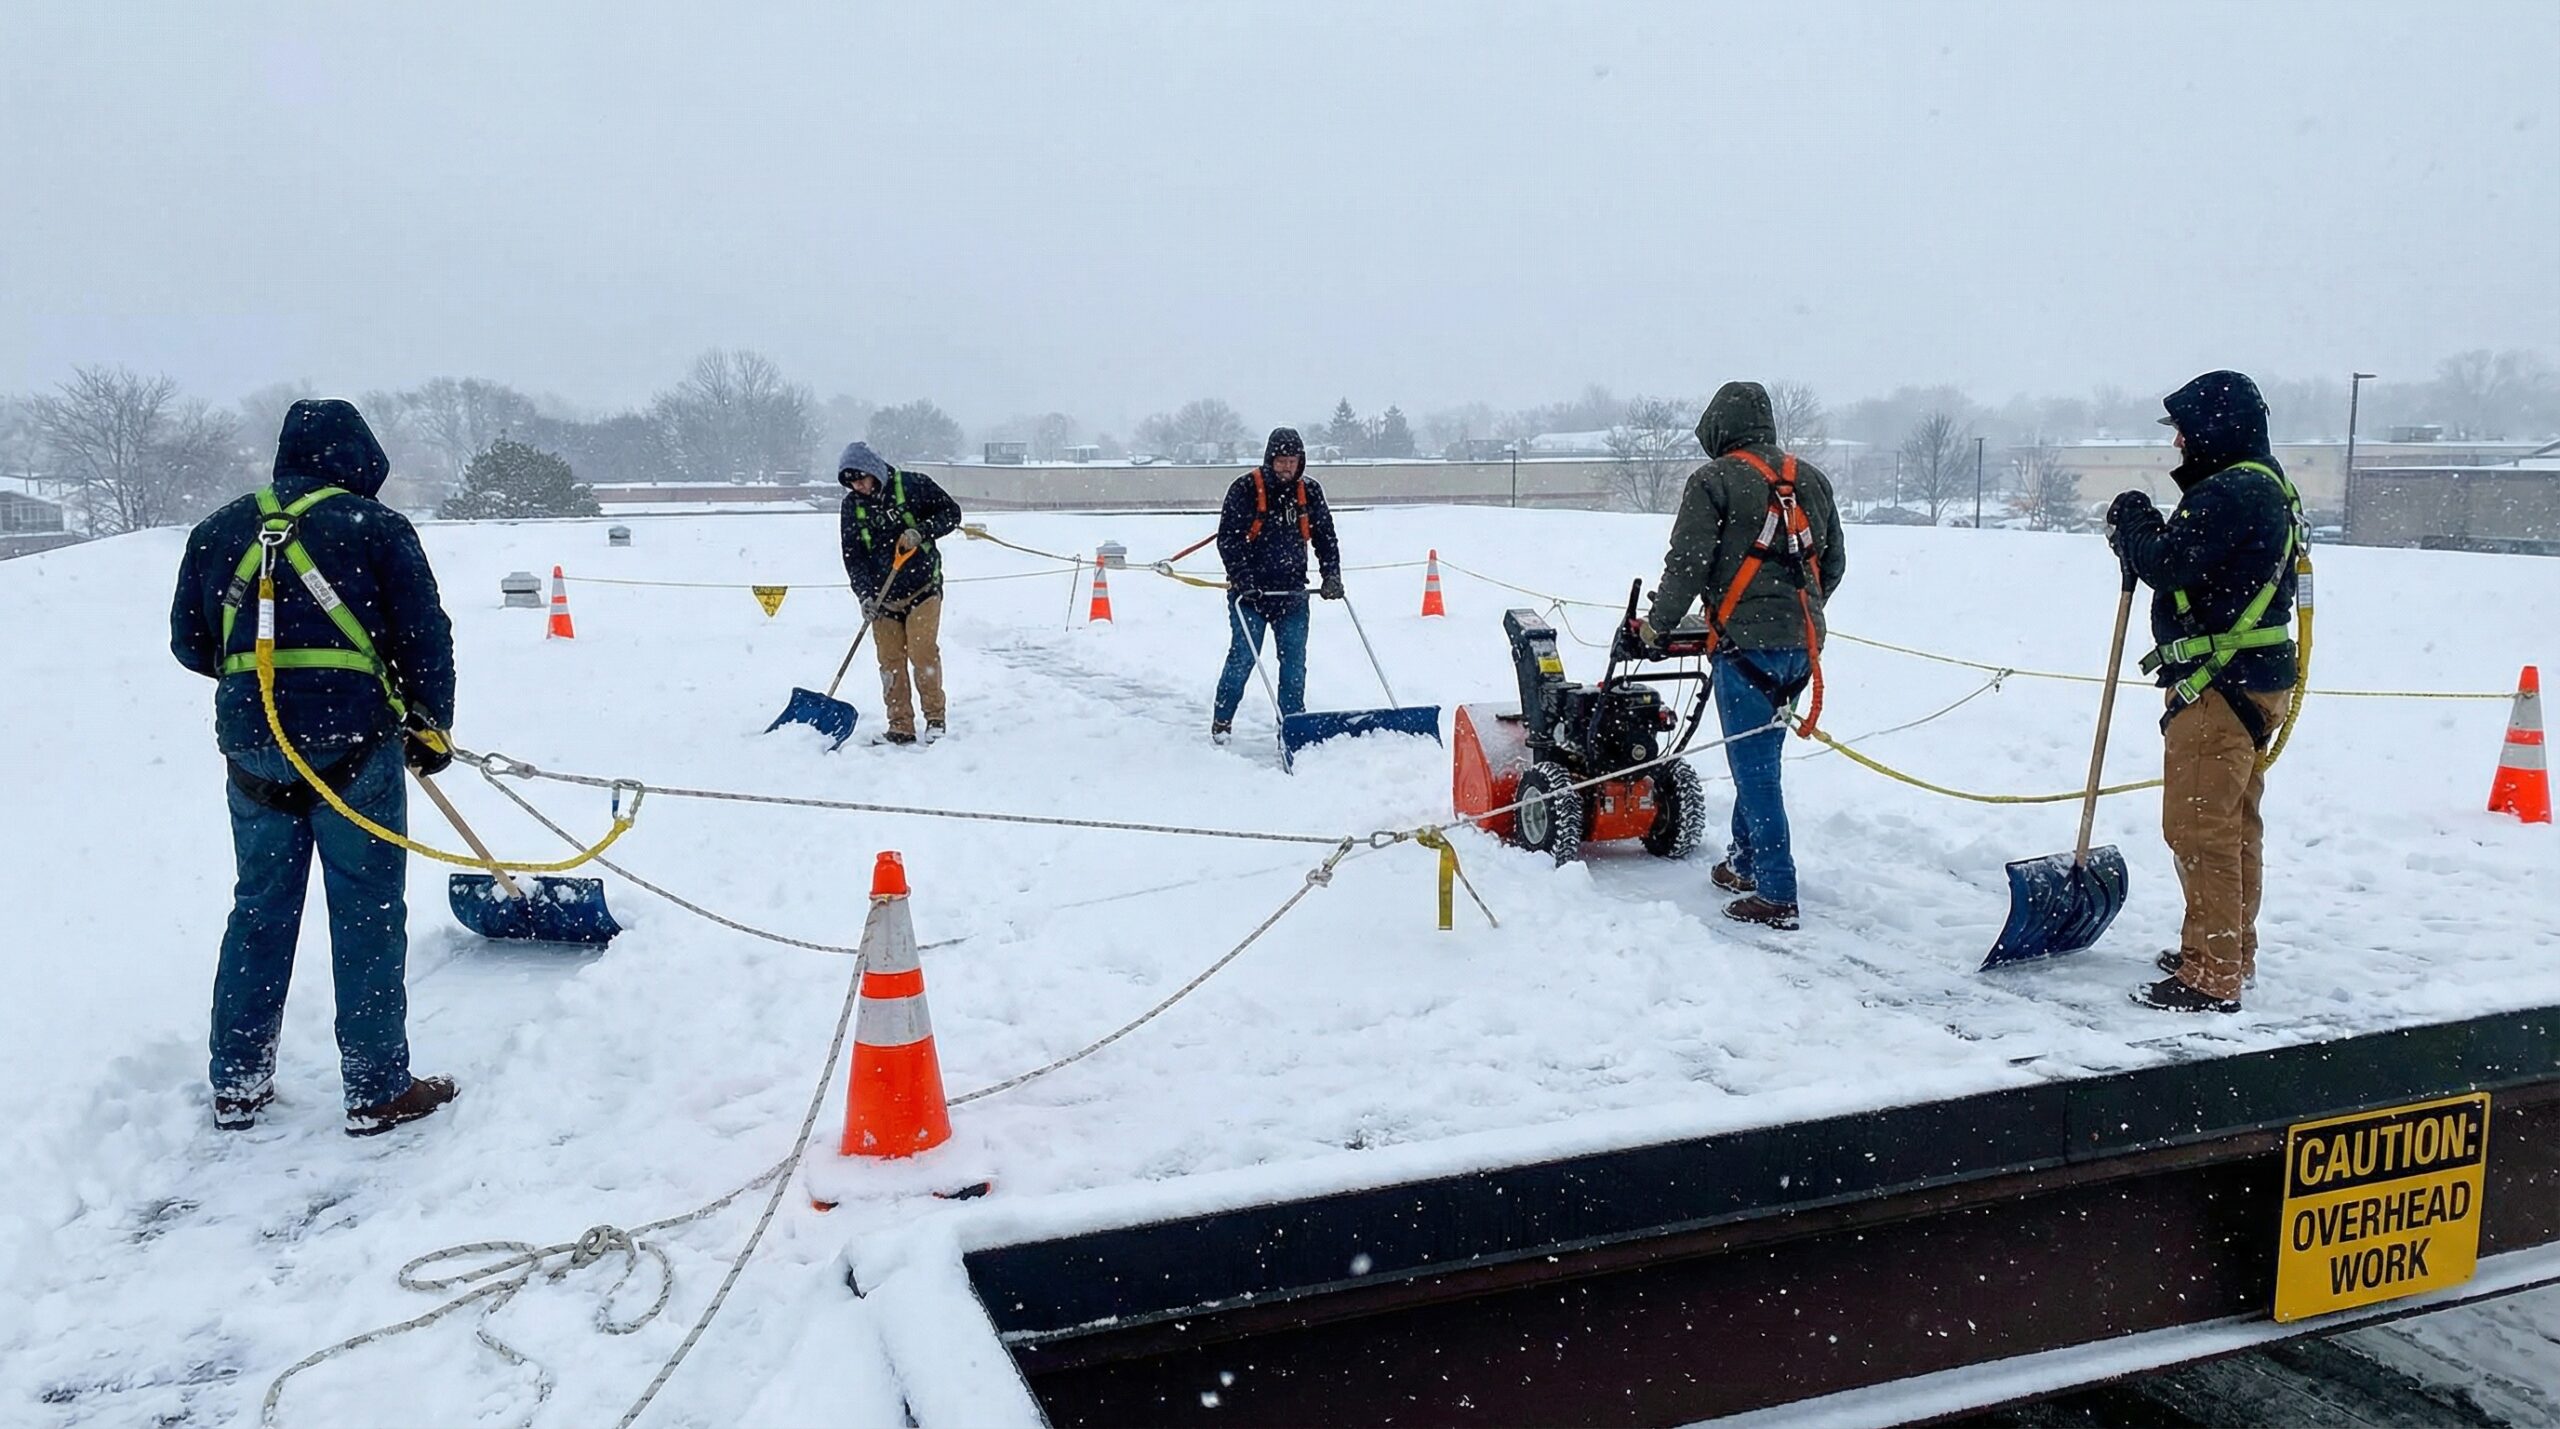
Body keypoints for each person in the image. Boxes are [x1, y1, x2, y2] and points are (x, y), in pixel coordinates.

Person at [169, 399, 460, 1135]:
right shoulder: (376, 529)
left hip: (252, 747)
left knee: (259, 910)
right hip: (354, 744)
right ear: (359, 459)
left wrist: (261, 688)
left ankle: (237, 1082)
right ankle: (376, 1087)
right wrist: (429, 722)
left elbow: (188, 642)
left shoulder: (217, 530)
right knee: (365, 911)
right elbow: (425, 634)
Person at [2108, 370, 2302, 1014]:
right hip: (2252, 679)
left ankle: (2212, 973)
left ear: (2215, 429)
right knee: (2234, 823)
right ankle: (2227, 949)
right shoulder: (2263, 485)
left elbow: (2167, 563)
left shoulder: (2232, 491)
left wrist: (2132, 522)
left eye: (2185, 432)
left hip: (2220, 688)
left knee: (2198, 829)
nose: (2180, 446)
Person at [1627, 381, 1846, 930]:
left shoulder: (1713, 480)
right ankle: (1745, 863)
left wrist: (1657, 628)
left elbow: (1688, 564)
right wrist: (1796, 616)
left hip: (1748, 647)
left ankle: (1776, 892)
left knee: (1754, 775)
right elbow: (1834, 562)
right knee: (1763, 759)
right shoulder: (1810, 478)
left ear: (1718, 426)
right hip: (1804, 647)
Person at [1211, 427, 1344, 743]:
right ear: (1270, 459)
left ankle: (1292, 727)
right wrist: (1243, 580)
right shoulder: (1245, 489)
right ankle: (1222, 722)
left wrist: (1331, 575)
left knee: (1294, 664)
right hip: (1250, 596)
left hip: (1293, 594)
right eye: (1281, 461)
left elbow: (1325, 537)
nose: (1287, 467)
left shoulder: (1309, 492)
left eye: (1293, 461)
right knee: (1243, 658)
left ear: (1301, 461)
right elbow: (1228, 540)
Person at [836, 441, 963, 745]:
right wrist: (864, 594)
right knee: (890, 661)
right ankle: (900, 726)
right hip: (883, 598)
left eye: (862, 479)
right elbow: (853, 555)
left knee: (922, 653)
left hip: (923, 587)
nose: (859, 488)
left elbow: (952, 513)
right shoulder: (852, 507)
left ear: (874, 470)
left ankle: (935, 719)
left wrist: (922, 530)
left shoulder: (913, 485)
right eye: (852, 484)